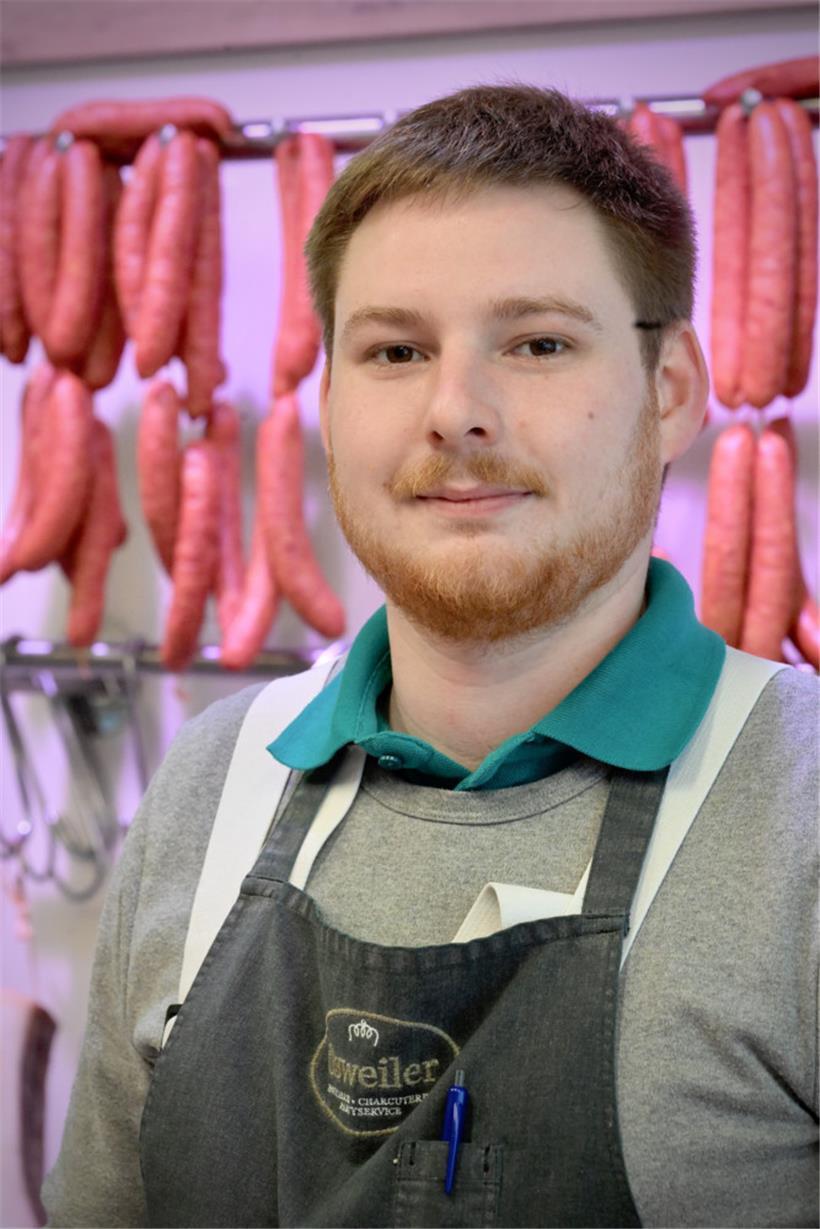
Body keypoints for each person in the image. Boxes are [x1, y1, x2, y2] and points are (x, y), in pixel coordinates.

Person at [44, 84, 817, 1228]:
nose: (456, 409)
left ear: (669, 391)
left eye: (539, 341)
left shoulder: (802, 803)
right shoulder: (211, 784)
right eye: (395, 349)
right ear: (330, 400)